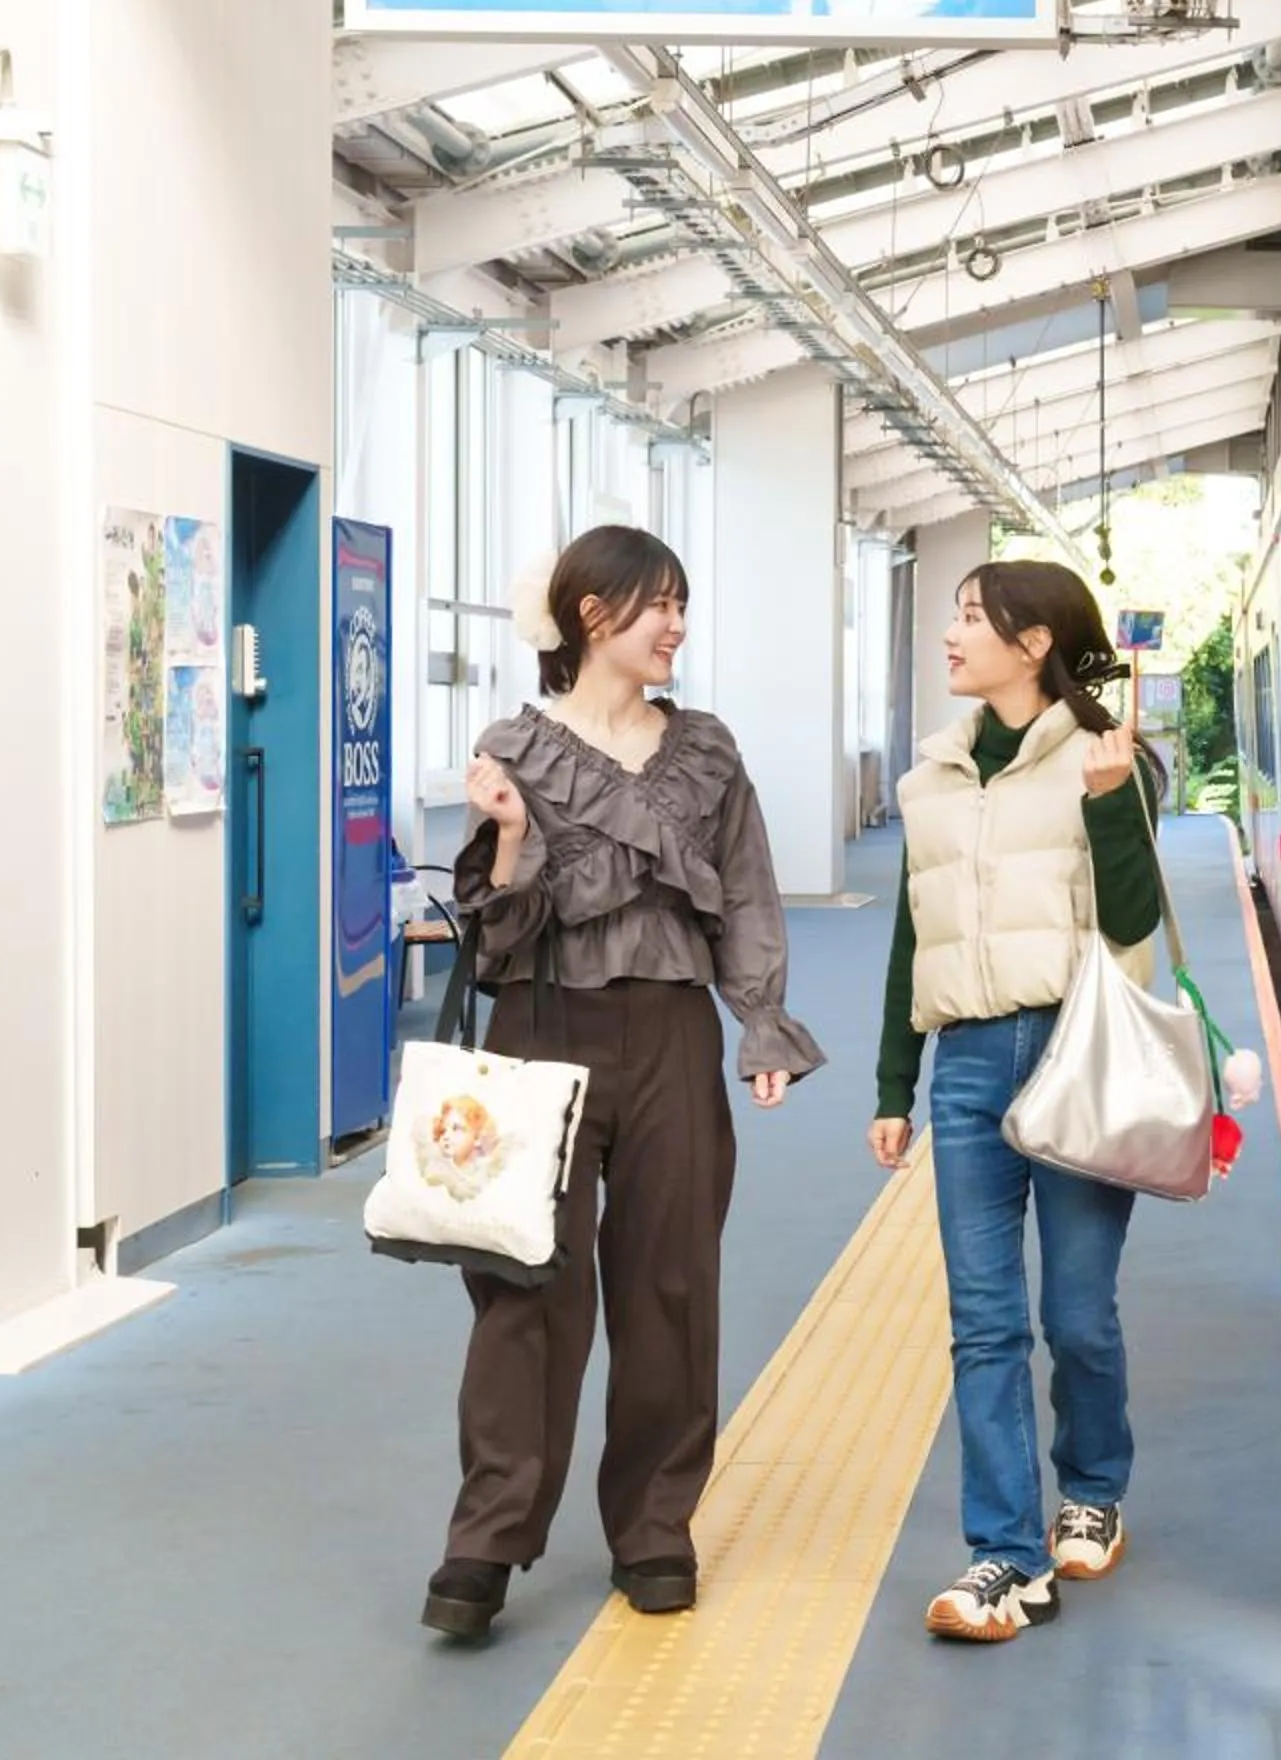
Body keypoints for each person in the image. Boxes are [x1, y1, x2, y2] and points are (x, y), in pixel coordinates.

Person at [423, 526, 824, 1643]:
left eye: (682, 604)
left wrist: (761, 1027)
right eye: (658, 604)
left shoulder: (705, 751)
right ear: (592, 614)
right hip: (541, 1024)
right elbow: (495, 933)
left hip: (669, 1034)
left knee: (670, 1283)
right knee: (524, 1288)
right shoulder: (515, 746)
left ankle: (655, 1524)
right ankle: (487, 1536)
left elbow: (746, 893)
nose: (676, 625)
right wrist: (508, 836)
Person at [869, 560, 1169, 1645]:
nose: (950, 634)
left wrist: (1108, 802)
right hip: (965, 1065)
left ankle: (1094, 1482)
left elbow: (1133, 919)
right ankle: (1008, 1553)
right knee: (983, 1324)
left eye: (968, 616)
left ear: (1034, 641)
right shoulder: (932, 778)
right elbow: (917, 936)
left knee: (1076, 1315)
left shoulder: (1100, 759)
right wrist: (895, 1082)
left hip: (1076, 1051)